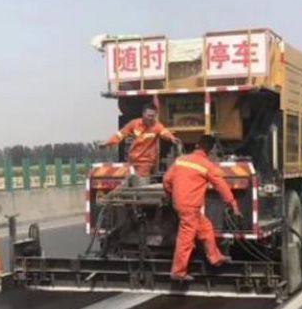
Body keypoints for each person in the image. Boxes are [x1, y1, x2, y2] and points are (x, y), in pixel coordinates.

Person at [163, 135, 241, 282]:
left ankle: (215, 258)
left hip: (181, 204)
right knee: (186, 239)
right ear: (210, 151)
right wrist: (233, 204)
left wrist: (170, 195)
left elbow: (166, 180)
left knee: (206, 228)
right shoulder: (207, 165)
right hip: (190, 206)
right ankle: (178, 272)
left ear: (197, 145)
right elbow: (221, 186)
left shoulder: (181, 160)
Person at [103, 105, 180, 178]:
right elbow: (121, 134)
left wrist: (172, 138)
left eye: (153, 116)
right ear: (143, 114)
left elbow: (165, 133)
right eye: (148, 115)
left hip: (146, 162)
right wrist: (107, 143)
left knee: (140, 182)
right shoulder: (134, 124)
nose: (150, 118)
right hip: (132, 160)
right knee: (129, 181)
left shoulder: (157, 126)